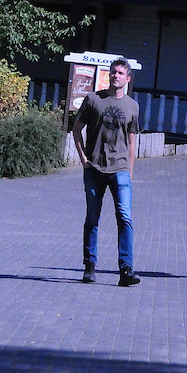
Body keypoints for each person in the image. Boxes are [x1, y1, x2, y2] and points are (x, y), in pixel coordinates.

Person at [72, 57, 140, 287]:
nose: (115, 76)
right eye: (113, 72)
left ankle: (126, 269)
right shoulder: (94, 99)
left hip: (120, 169)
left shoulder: (132, 106)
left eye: (120, 73)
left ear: (128, 78)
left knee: (125, 217)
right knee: (92, 217)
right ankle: (90, 266)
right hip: (95, 168)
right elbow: (76, 129)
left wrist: (130, 171)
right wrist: (83, 158)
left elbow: (131, 141)